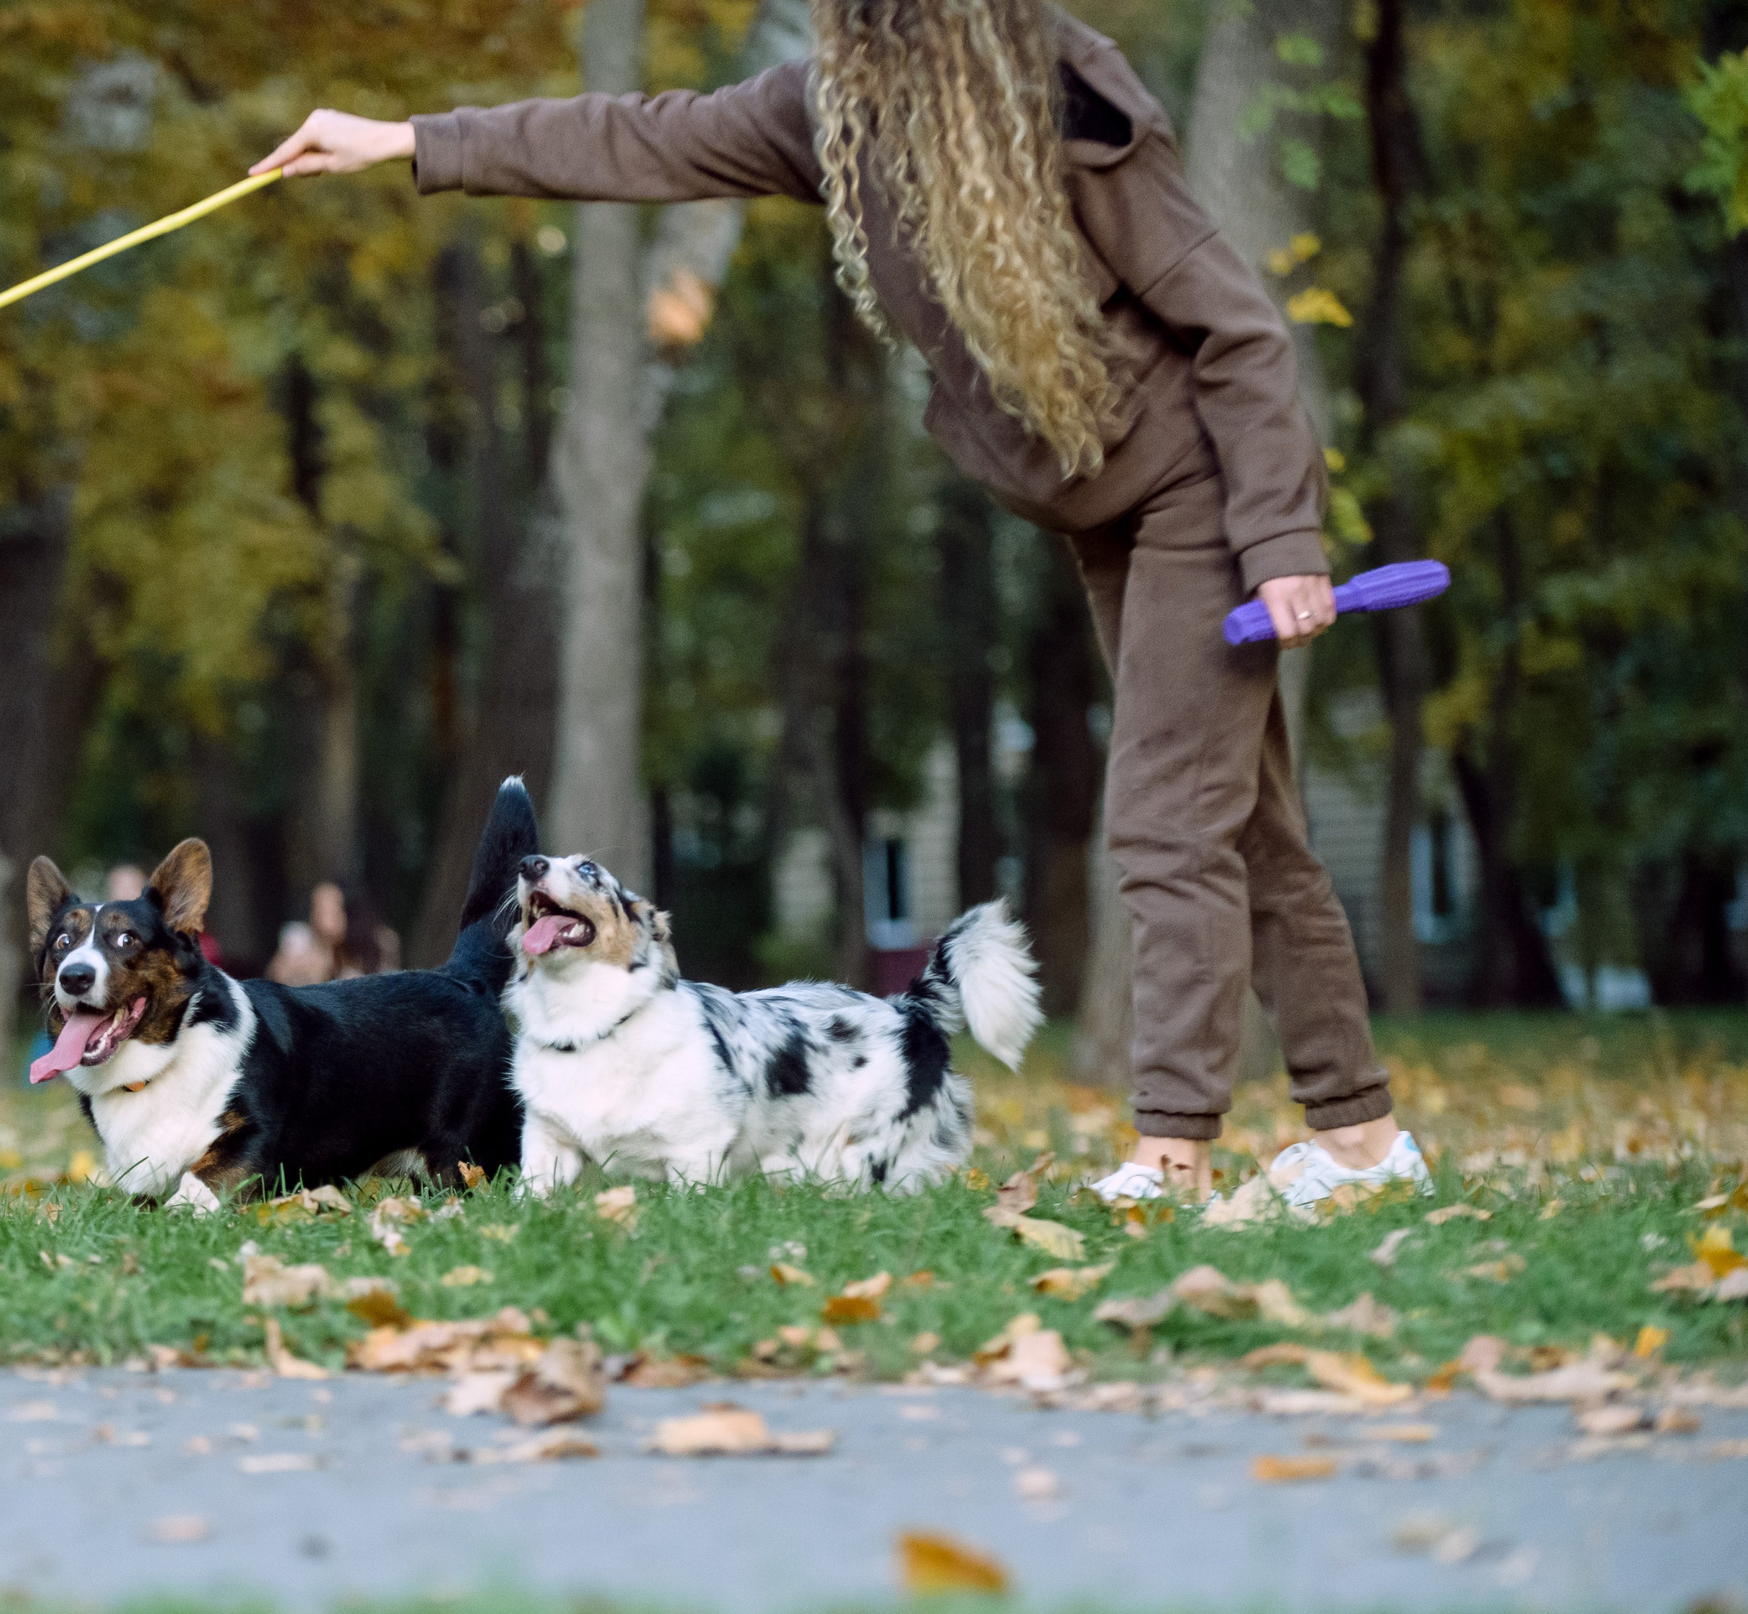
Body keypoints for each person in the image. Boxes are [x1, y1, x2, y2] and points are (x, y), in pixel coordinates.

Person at [256, 0, 1427, 1209]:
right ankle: (1360, 1142)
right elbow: (639, 136)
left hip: (1200, 489)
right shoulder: (834, 113)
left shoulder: (1069, 95)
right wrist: (407, 141)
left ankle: (1172, 1154)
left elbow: (1237, 327)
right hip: (1101, 504)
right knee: (1253, 832)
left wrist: (1280, 538)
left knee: (1168, 821)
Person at [265, 881, 402, 986]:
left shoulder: (378, 942)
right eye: (317, 908)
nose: (321, 917)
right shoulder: (299, 938)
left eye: (331, 910)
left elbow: (389, 987)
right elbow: (276, 981)